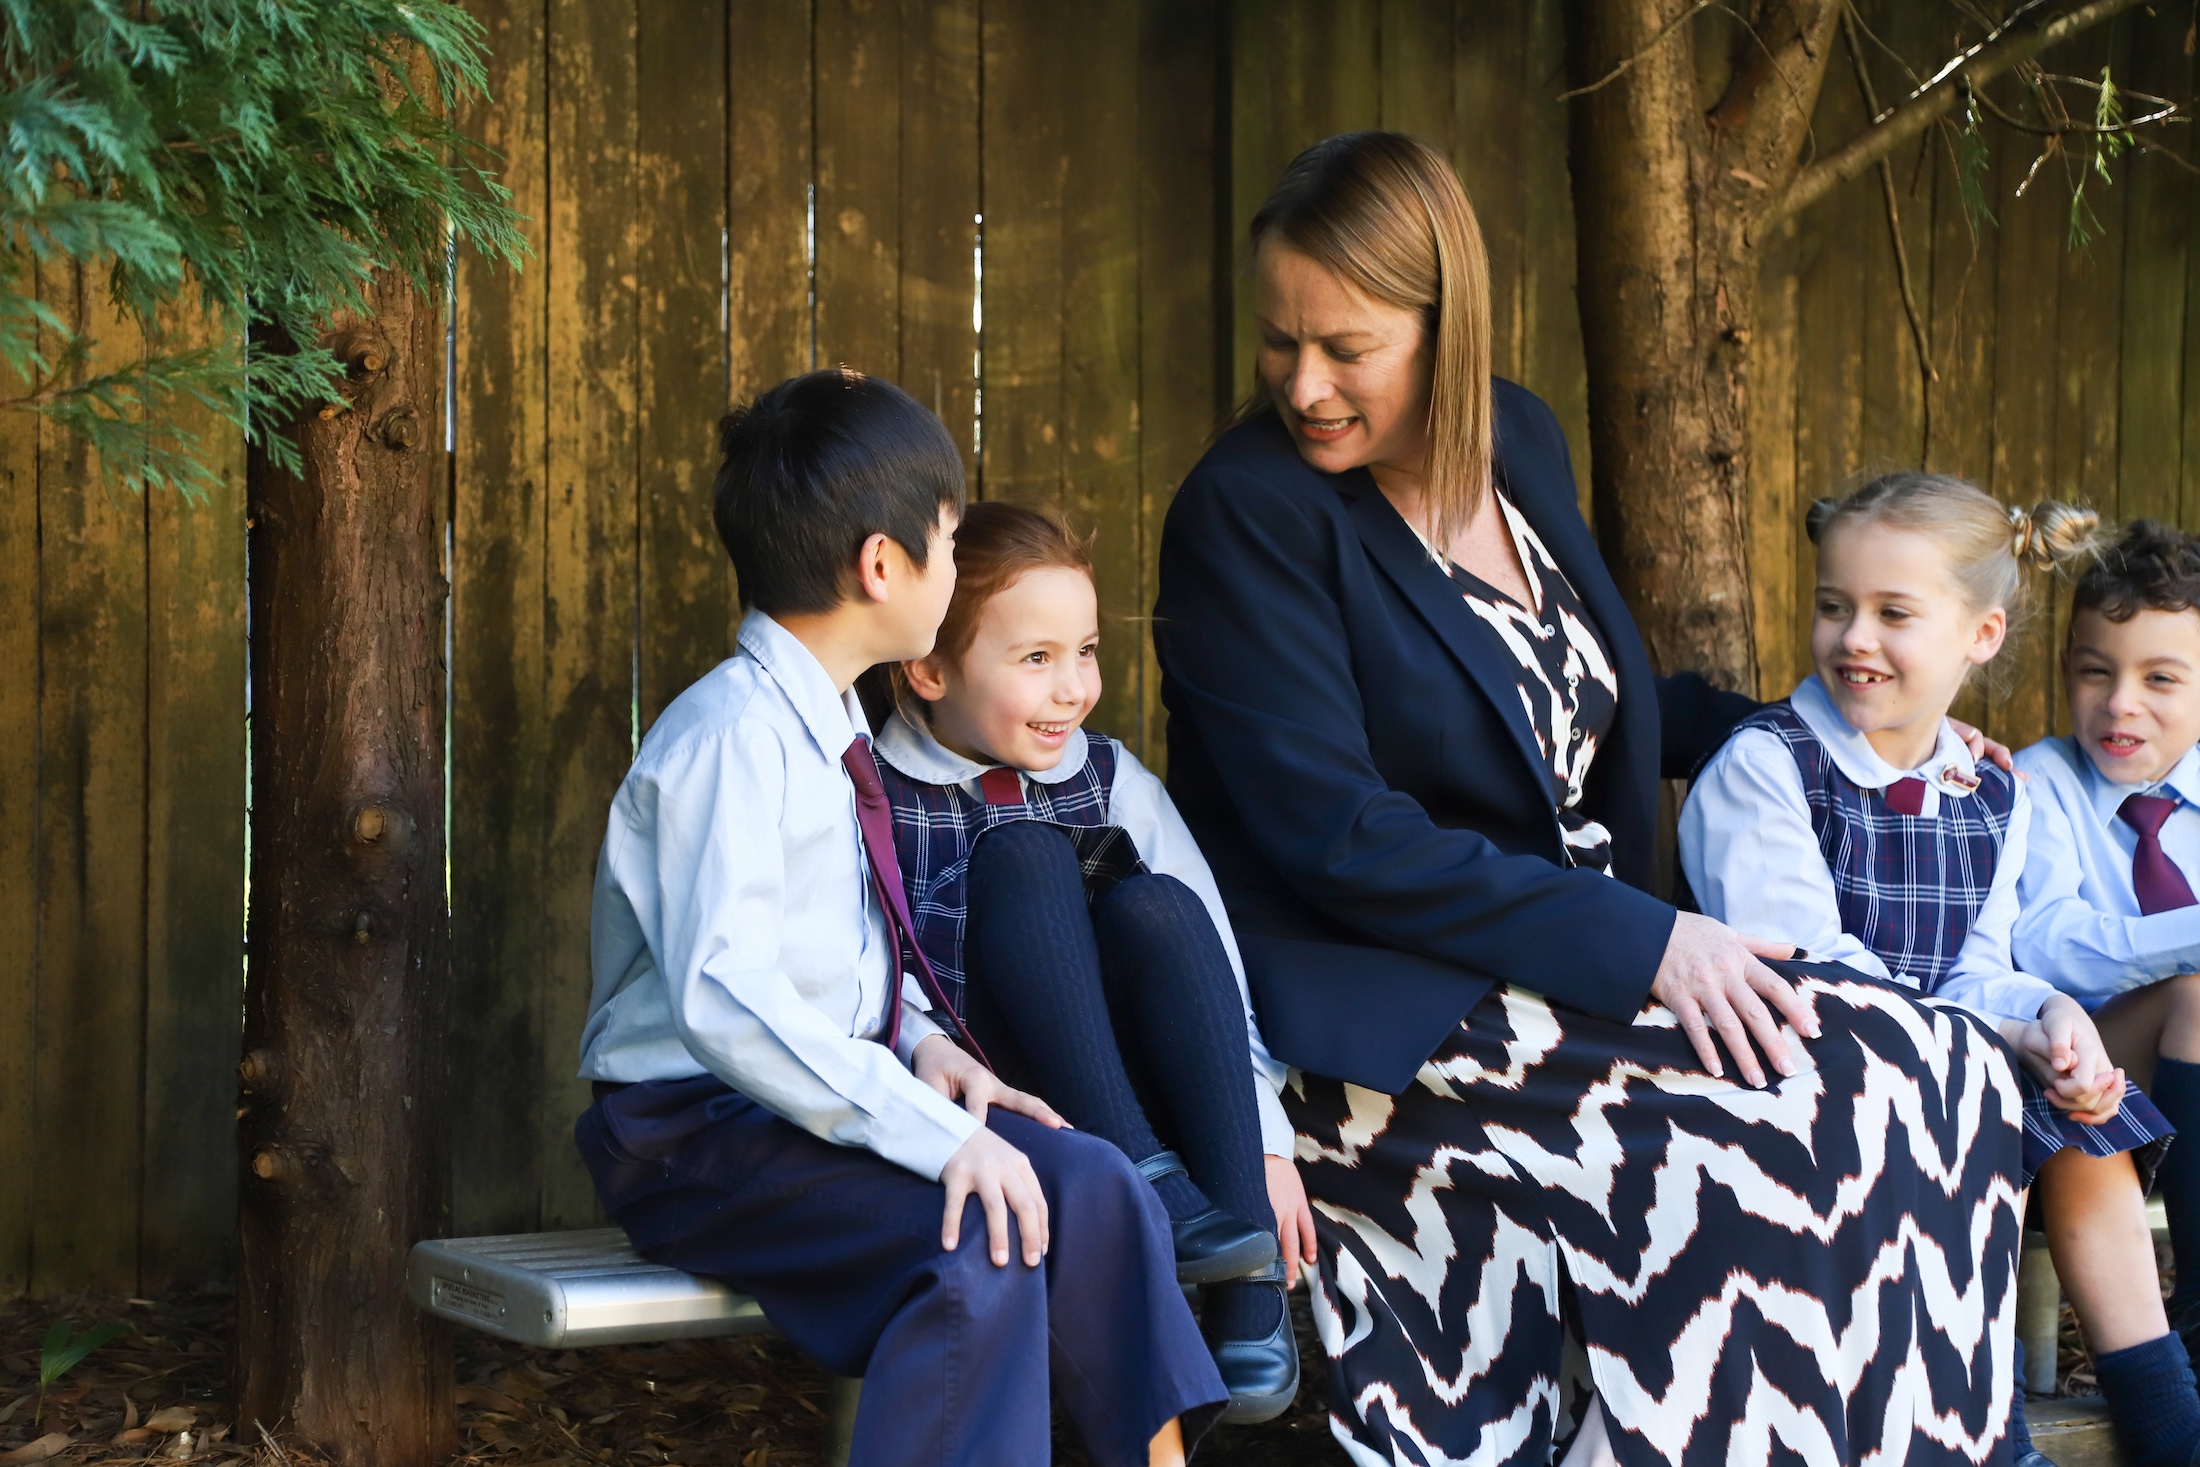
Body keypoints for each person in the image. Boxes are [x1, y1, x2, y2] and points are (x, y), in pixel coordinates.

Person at [1153, 130, 2029, 1467]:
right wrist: (1652, 941)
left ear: (1447, 328)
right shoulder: (1246, 511)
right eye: (1280, 343)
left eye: (1348, 346)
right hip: (1389, 999)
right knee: (1771, 1125)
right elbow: (1338, 836)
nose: (1304, 385)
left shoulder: (1521, 439)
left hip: (1573, 961)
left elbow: (1600, 703)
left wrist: (1856, 733)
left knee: (1943, 1062)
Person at [570, 368, 1227, 1467]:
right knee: (980, 1252)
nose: (957, 557)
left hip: (818, 1100)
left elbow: (843, 957)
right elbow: (725, 999)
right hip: (692, 1133)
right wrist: (939, 1136)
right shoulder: (731, 738)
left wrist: (929, 1051)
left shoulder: (826, 726)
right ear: (884, 566)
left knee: (1100, 1182)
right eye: (950, 536)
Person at [1682, 475, 2200, 1467]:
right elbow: (1813, 977)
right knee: (1959, 1091)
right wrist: (1993, 1036)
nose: (1852, 638)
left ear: (1981, 636)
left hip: (1927, 1062)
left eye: (1892, 614)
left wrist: (2048, 1017)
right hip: (1792, 1085)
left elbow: (1980, 965)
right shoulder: (1766, 769)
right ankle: (1982, 1422)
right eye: (1833, 607)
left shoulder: (1980, 786)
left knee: (2073, 1113)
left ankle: (2163, 1414)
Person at [866, 498, 1308, 1421]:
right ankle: (1146, 1180)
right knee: (1026, 852)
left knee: (1159, 901)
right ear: (929, 667)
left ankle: (1244, 1269)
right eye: (1036, 659)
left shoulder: (1110, 779)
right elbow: (866, 967)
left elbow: (1213, 966)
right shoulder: (873, 789)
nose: (1073, 688)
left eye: (1088, 651)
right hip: (991, 1087)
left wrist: (1264, 1142)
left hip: (1134, 1079)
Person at [2014, 521, 2200, 1356]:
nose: (2121, 701)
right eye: (2097, 671)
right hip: (2081, 1056)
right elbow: (2047, 941)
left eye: (2159, 677)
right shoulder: (2037, 782)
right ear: (2067, 671)